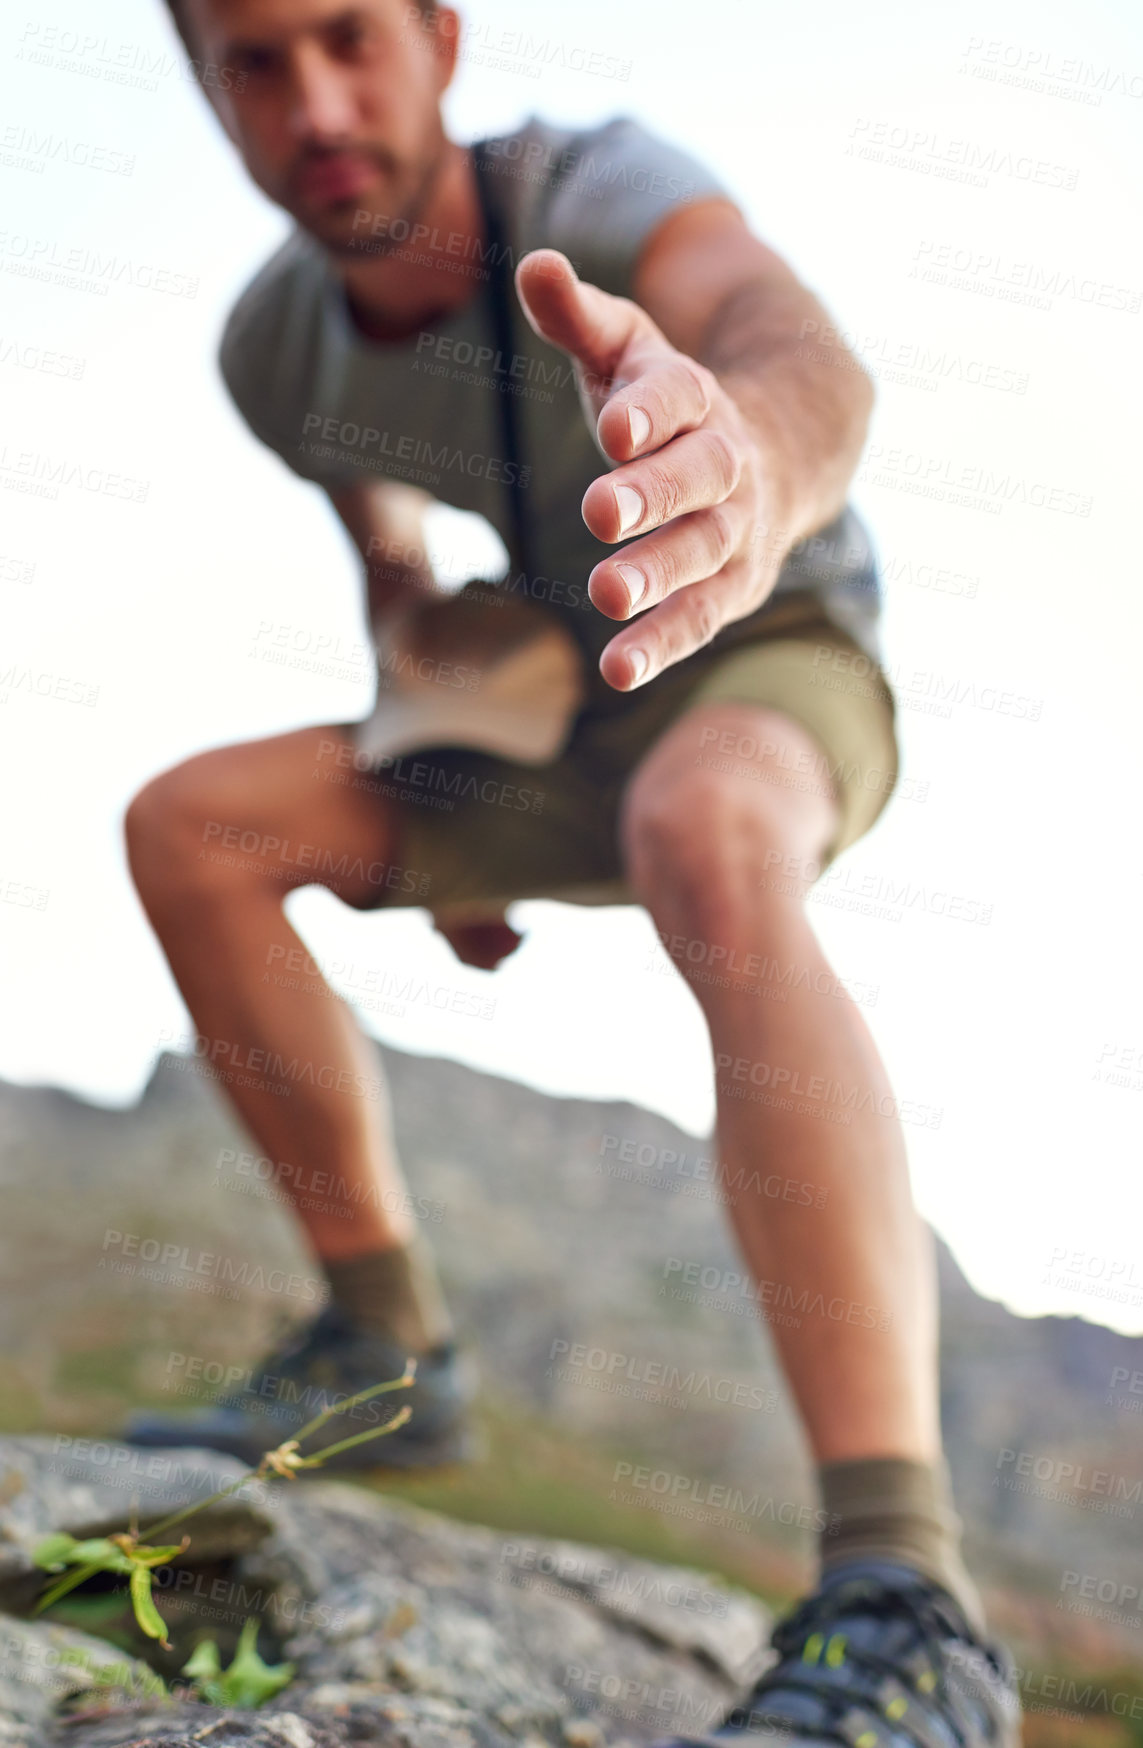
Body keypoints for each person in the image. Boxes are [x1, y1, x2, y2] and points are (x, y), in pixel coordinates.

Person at [123, 2, 1022, 1742]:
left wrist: (748, 455)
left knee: (709, 833)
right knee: (191, 827)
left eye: (347, 38)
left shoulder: (601, 192)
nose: (315, 103)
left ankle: (907, 1593)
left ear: (439, 38)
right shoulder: (275, 353)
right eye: (255, 62)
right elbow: (381, 544)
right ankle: (385, 1349)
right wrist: (432, 770)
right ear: (202, 89)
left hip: (775, 649)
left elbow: (799, 349)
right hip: (560, 695)